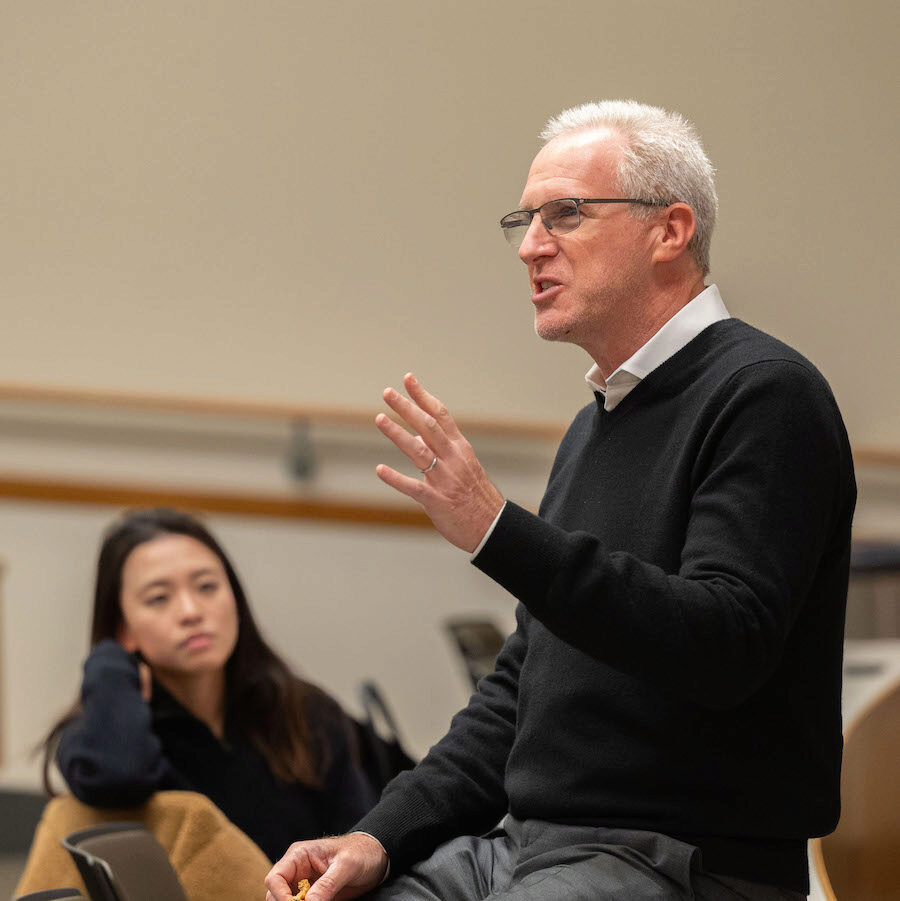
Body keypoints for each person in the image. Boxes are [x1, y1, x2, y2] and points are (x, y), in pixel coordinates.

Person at [265, 100, 856, 900]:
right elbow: (518, 691)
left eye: (566, 214)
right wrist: (378, 835)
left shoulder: (766, 395)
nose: (532, 246)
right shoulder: (592, 427)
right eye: (526, 220)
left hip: (682, 858)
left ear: (670, 230)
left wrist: (500, 531)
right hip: (524, 845)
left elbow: (724, 645)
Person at [43, 507, 375, 863]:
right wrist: (108, 664)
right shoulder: (103, 735)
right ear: (124, 629)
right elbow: (117, 775)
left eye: (206, 587)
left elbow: (362, 840)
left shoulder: (304, 711)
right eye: (159, 598)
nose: (190, 611)